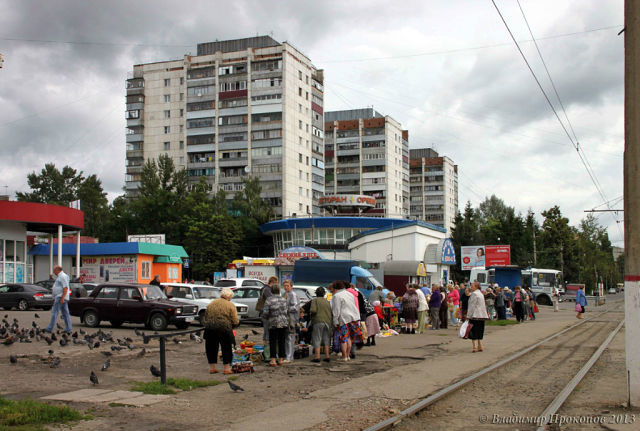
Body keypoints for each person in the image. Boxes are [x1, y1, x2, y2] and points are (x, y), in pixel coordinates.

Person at [202, 287, 238, 374]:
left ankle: (212, 368)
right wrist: (234, 325)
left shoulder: (211, 304)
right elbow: (235, 320)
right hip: (224, 328)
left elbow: (206, 316)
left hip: (210, 328)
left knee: (211, 348)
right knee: (226, 348)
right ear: (229, 297)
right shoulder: (230, 305)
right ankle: (226, 369)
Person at [330, 280, 362, 362]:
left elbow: (336, 310)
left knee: (343, 338)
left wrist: (335, 321)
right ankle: (348, 355)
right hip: (353, 318)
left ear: (335, 288)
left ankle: (344, 356)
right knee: (349, 338)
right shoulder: (350, 294)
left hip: (343, 318)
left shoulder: (337, 296)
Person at [261, 284, 288, 366]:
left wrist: (266, 318)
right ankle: (280, 360)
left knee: (272, 341)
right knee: (281, 341)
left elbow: (265, 312)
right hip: (283, 322)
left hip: (273, 322)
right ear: (279, 290)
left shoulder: (269, 300)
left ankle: (273, 360)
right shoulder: (283, 299)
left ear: (271, 291)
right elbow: (286, 311)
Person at [45, 265, 72, 334]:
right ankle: (68, 328)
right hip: (61, 296)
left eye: (54, 271)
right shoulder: (61, 276)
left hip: (60, 296)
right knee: (65, 313)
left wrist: (62, 297)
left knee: (55, 312)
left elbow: (65, 287)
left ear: (58, 270)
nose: (54, 272)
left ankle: (50, 328)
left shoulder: (62, 276)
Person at [256, 276, 278, 356]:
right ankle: (267, 352)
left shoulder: (265, 288)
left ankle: (266, 351)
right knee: (267, 332)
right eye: (276, 284)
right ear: (273, 282)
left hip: (265, 313)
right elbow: (271, 300)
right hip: (266, 314)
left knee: (266, 332)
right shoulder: (267, 290)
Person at [309, 286, 332, 363]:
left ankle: (317, 357)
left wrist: (311, 316)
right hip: (328, 321)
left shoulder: (315, 300)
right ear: (324, 294)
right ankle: (327, 356)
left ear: (316, 293)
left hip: (318, 321)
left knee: (317, 338)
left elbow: (313, 310)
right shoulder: (327, 301)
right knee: (326, 339)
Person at [467, 281, 489, 352]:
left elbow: (472, 306)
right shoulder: (481, 294)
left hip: (475, 315)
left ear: (476, 286)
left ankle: (475, 347)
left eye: (472, 286)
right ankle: (480, 346)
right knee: (480, 331)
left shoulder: (474, 294)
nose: (471, 287)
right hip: (482, 315)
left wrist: (468, 315)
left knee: (473, 331)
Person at [283, 280, 300, 362]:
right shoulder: (285, 294)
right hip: (286, 318)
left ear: (291, 286)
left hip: (291, 319)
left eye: (287, 286)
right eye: (285, 286)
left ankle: (289, 357)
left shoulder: (293, 294)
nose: (286, 287)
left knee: (290, 337)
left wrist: (285, 309)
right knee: (287, 337)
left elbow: (295, 307)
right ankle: (287, 355)